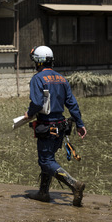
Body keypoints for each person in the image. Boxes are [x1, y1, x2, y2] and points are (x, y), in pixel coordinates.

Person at [22, 46, 87, 206]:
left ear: (38, 61)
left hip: (47, 126)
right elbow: (72, 103)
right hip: (61, 126)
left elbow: (37, 102)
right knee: (49, 159)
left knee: (45, 161)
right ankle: (43, 192)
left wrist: (29, 114)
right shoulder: (62, 79)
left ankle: (74, 184)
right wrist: (80, 124)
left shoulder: (38, 79)